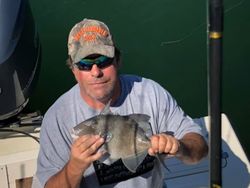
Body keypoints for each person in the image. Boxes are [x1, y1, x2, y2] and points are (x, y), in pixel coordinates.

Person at [32, 18, 208, 188]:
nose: (95, 72)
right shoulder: (58, 117)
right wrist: (74, 167)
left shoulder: (150, 93)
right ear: (73, 70)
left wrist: (179, 147)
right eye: (85, 64)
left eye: (103, 60)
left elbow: (199, 148)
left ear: (118, 60)